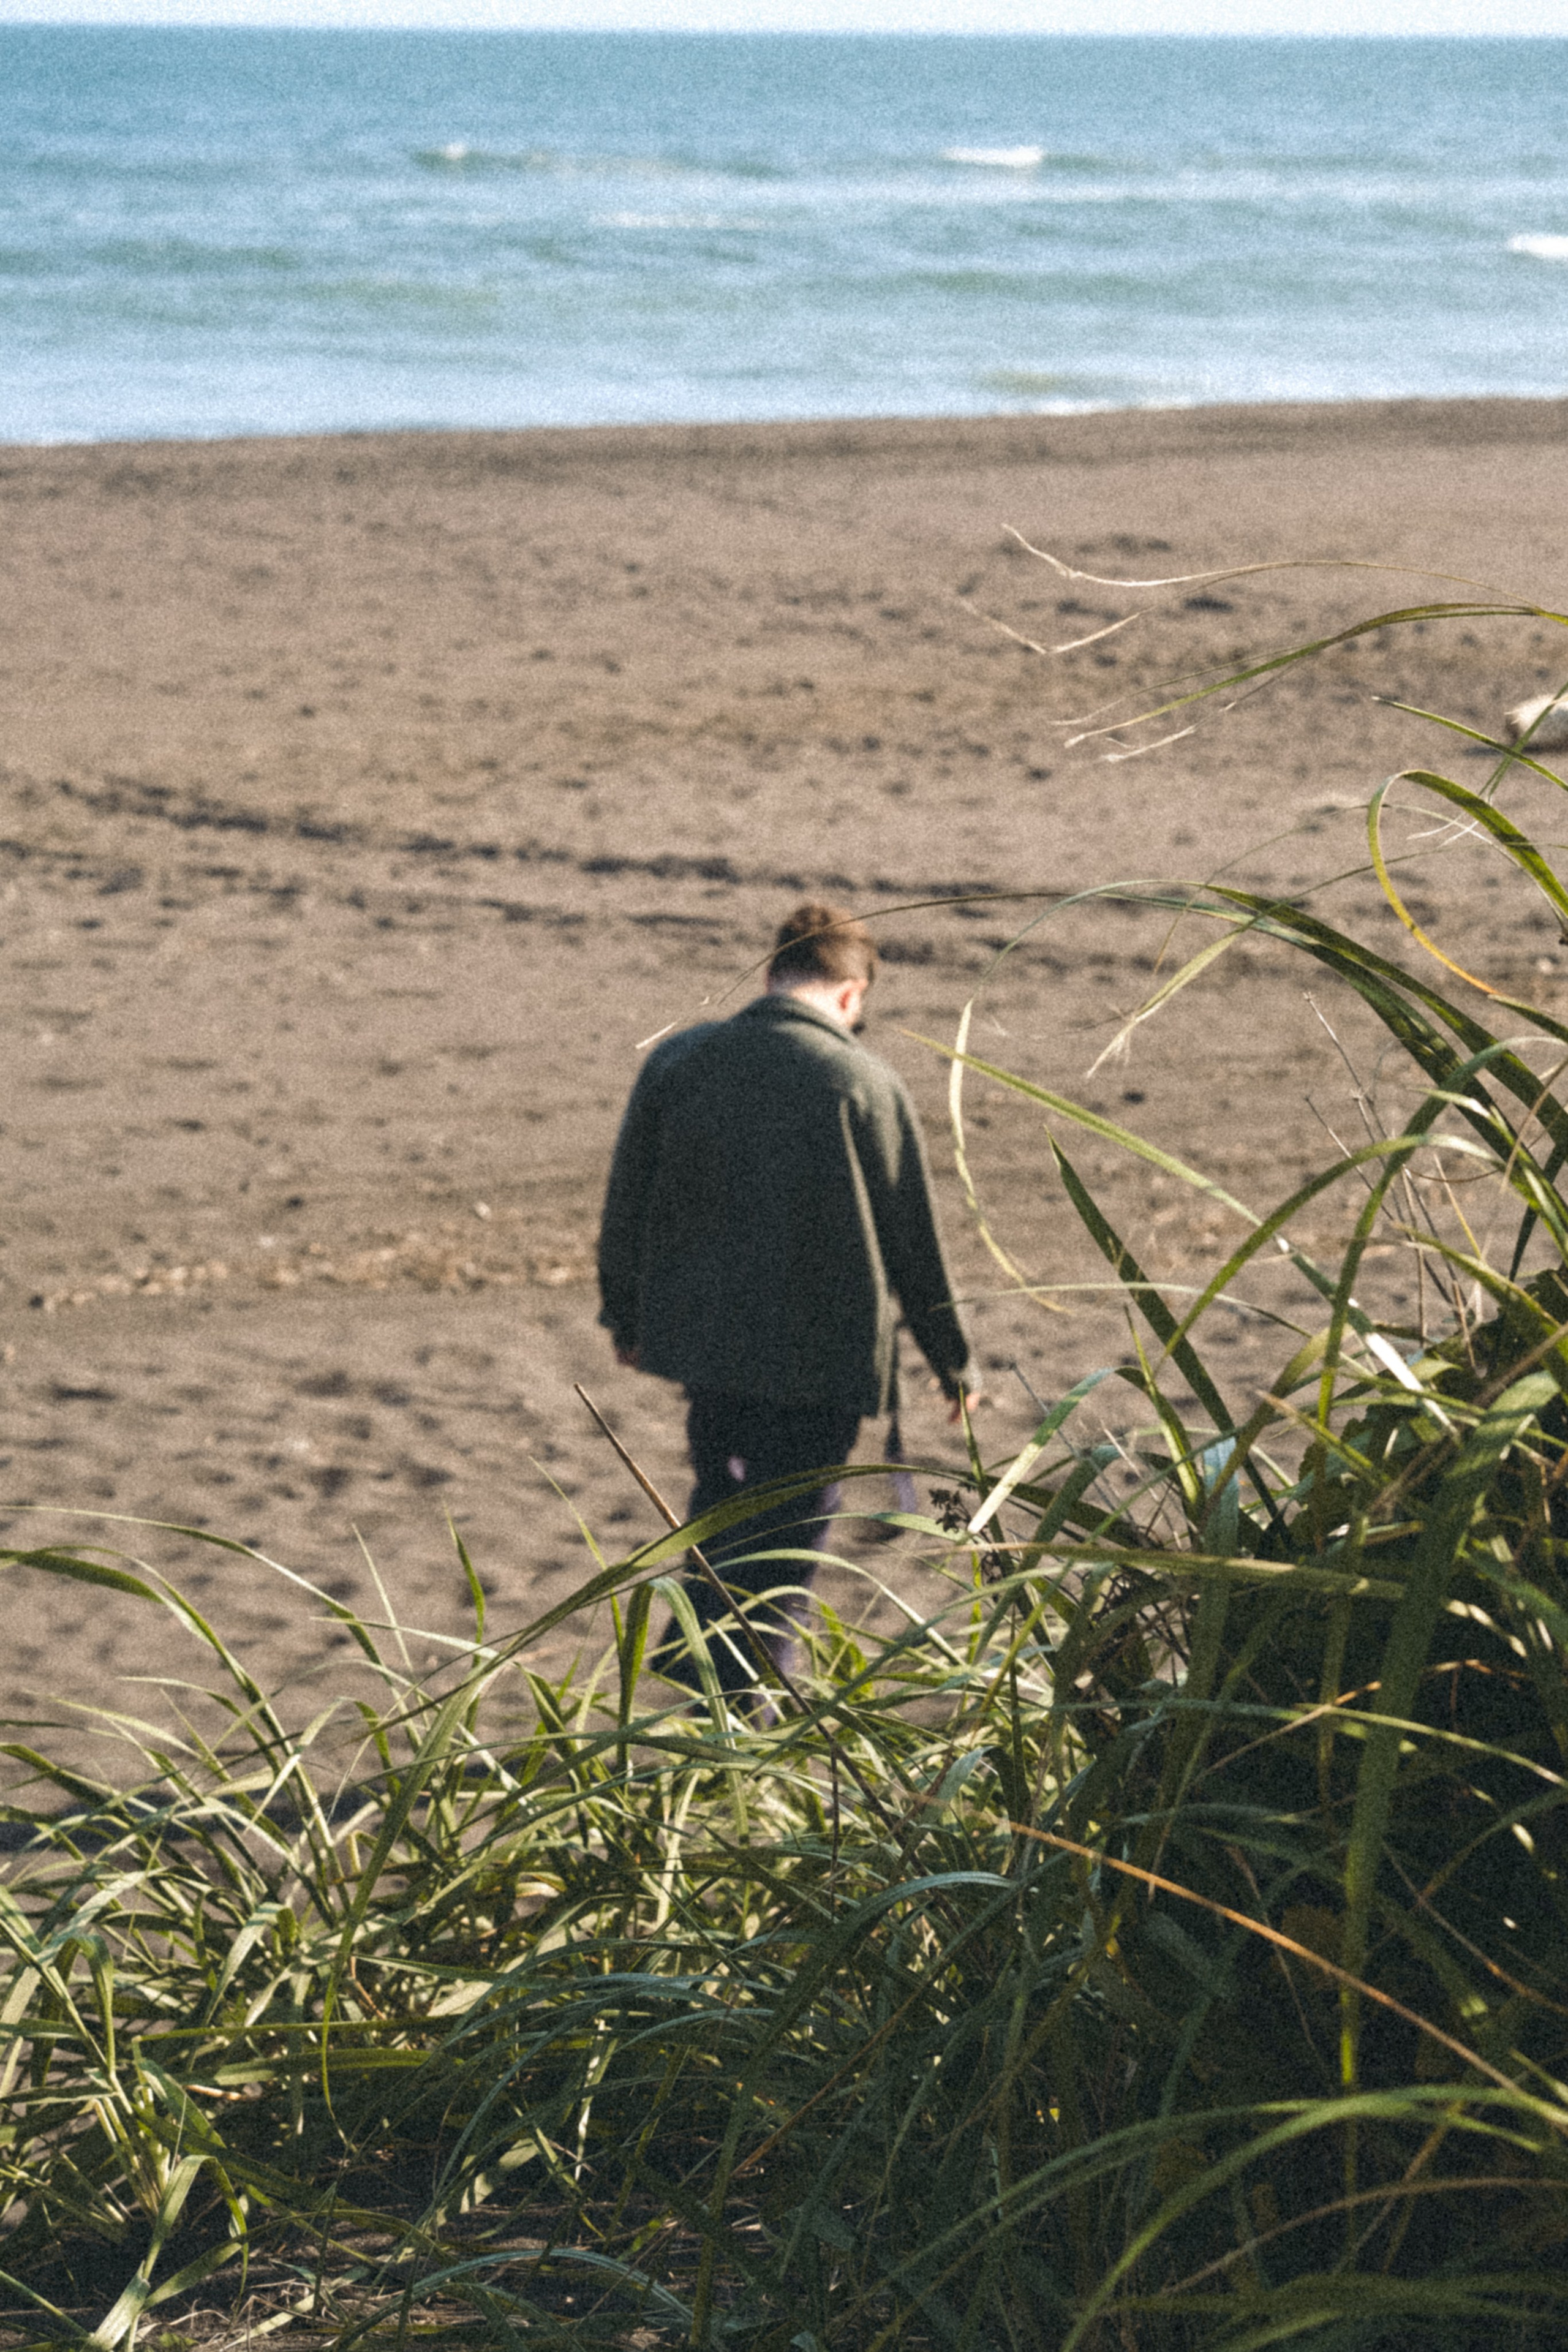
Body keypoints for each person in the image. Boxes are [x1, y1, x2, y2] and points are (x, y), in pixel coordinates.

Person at [597, 901, 974, 1698]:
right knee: (790, 1530)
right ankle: (742, 1692)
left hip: (707, 1346)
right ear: (849, 995)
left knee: (724, 1499)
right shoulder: (865, 1081)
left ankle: (710, 1673)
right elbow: (916, 1243)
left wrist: (624, 1316)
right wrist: (954, 1366)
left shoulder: (681, 1060)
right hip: (821, 1358)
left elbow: (627, 1199)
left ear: (772, 976)